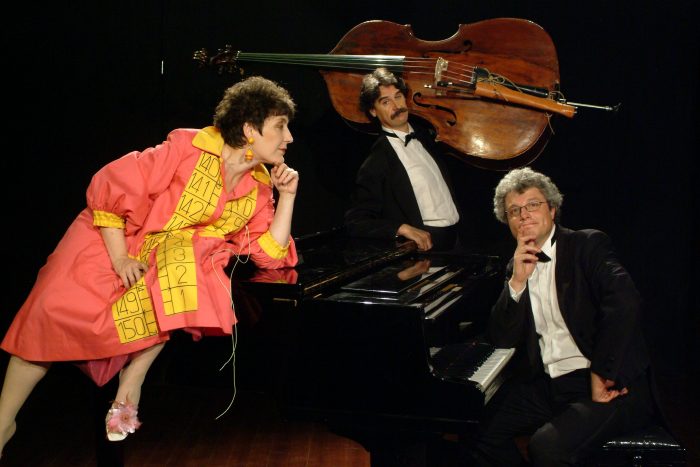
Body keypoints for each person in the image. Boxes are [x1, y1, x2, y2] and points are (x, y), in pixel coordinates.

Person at [0, 75, 300, 456]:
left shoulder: (257, 187)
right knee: (48, 312)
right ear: (249, 130)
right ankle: (3, 421)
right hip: (114, 236)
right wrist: (120, 258)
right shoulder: (187, 148)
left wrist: (287, 196)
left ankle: (133, 381)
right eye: (280, 126)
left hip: (165, 262)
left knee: (191, 258)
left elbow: (269, 255)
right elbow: (112, 188)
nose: (289, 137)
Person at [468, 167, 654, 466]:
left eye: (532, 204)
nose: (523, 215)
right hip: (548, 384)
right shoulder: (514, 267)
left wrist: (602, 373)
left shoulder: (586, 245)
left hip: (607, 380)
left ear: (552, 209)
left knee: (546, 446)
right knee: (476, 430)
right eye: (514, 210)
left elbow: (625, 302)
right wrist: (517, 282)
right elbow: (502, 339)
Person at [344, 67, 461, 252]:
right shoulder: (376, 161)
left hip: (458, 243)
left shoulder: (428, 137)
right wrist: (402, 228)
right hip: (426, 250)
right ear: (373, 111)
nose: (396, 105)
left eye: (398, 96)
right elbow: (355, 221)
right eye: (385, 101)